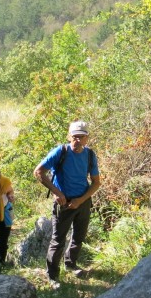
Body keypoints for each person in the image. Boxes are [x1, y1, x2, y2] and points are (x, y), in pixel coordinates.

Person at [33, 120, 101, 287]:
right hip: (63, 203)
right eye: (75, 137)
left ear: (87, 138)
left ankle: (70, 264)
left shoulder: (90, 155)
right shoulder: (60, 152)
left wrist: (80, 200)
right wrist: (57, 193)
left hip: (83, 201)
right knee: (58, 240)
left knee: (79, 236)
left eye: (81, 137)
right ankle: (52, 276)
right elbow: (38, 172)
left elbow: (96, 182)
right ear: (69, 136)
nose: (77, 140)